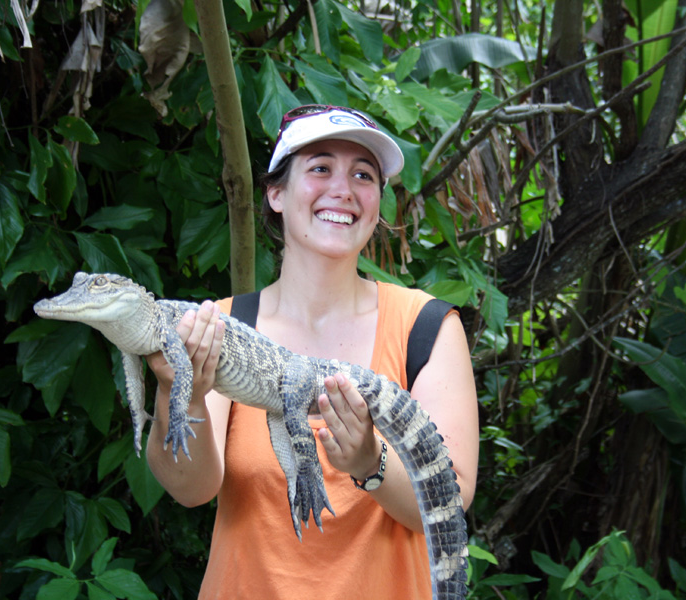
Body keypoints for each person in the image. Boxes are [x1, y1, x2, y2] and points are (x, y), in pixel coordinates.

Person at [146, 105, 479, 598]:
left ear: (377, 204)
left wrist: (371, 463)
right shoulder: (221, 323)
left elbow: (449, 499)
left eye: (363, 175)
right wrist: (180, 392)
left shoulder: (425, 327)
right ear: (276, 192)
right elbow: (190, 489)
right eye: (320, 167)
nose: (343, 189)